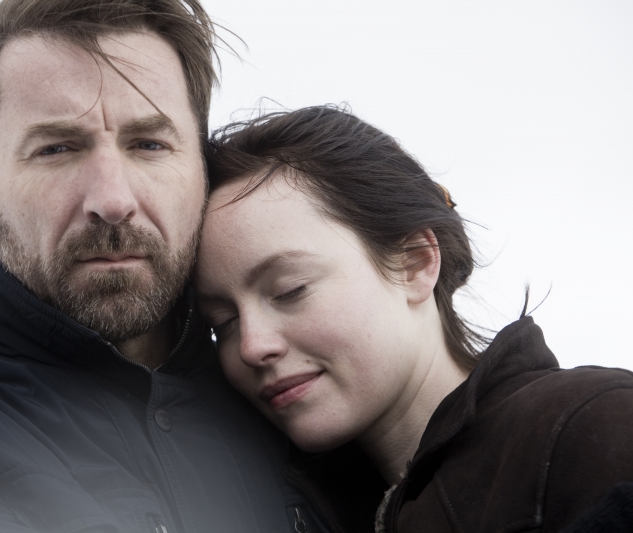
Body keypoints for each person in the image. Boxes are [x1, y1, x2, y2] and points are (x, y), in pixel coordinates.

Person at [0, 1, 326, 532]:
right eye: (56, 149)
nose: (112, 201)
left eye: (149, 144)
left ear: (203, 174)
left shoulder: (300, 403)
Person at [195, 105, 633, 533]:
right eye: (222, 323)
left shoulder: (594, 429)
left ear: (415, 263)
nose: (252, 347)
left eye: (290, 290)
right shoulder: (293, 510)